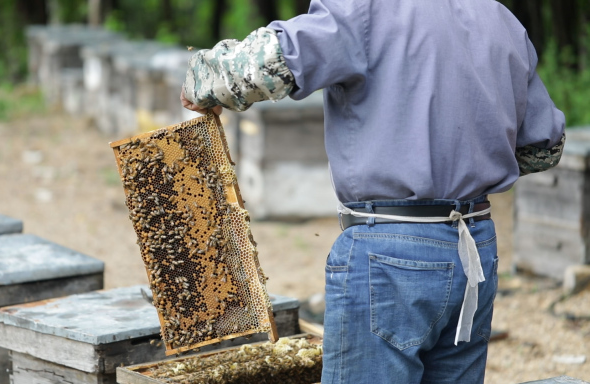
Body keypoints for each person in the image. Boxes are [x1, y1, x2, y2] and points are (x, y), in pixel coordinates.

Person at [180, 1, 566, 383]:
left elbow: (270, 62)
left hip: (390, 250)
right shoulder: (499, 18)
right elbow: (543, 148)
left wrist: (202, 79)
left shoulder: (365, 8)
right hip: (476, 249)